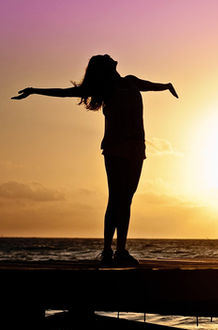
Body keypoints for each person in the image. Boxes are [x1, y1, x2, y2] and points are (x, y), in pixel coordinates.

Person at [12, 54, 179, 265]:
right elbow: (65, 93)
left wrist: (167, 85)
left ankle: (118, 251)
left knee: (125, 199)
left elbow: (151, 86)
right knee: (117, 198)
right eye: (106, 58)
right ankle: (111, 250)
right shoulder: (104, 88)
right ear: (105, 68)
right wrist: (35, 91)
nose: (111, 56)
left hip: (137, 148)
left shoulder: (131, 81)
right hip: (115, 148)